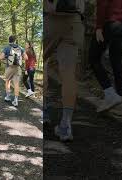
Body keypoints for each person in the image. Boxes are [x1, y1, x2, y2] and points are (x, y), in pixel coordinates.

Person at [44, 0, 85, 141]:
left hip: (49, 19)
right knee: (68, 72)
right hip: (73, 22)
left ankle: (44, 113)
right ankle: (65, 126)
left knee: (43, 63)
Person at [88, 0, 122, 115]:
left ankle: (110, 95)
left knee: (93, 58)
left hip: (109, 23)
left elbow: (103, 4)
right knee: (116, 62)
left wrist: (99, 27)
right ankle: (121, 105)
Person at [0, 35, 27, 107]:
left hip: (9, 67)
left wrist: (7, 57)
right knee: (16, 84)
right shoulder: (20, 48)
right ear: (15, 40)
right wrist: (19, 59)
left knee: (7, 81)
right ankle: (16, 100)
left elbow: (1, 57)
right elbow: (26, 57)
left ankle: (8, 97)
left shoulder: (6, 47)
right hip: (18, 68)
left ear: (9, 40)